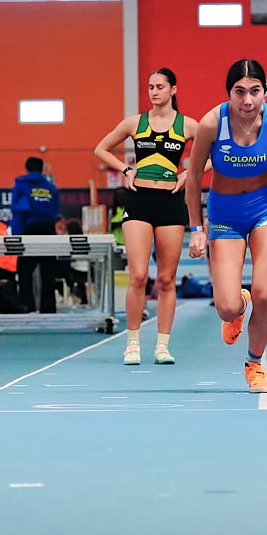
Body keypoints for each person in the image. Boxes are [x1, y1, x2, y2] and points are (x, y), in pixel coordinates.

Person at [183, 58, 267, 395]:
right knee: (226, 308)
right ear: (229, 93)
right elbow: (193, 177)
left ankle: (254, 363)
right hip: (224, 213)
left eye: (255, 91)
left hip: (266, 209)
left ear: (265, 92)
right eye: (239, 92)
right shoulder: (211, 124)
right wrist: (196, 228)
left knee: (266, 294)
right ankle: (239, 304)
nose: (247, 100)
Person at [93, 67, 190, 364]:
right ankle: (132, 343)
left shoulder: (188, 125)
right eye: (150, 87)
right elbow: (101, 149)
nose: (154, 91)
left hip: (171, 203)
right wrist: (126, 170)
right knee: (138, 275)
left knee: (166, 279)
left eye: (160, 86)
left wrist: (188, 174)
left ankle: (162, 346)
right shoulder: (135, 123)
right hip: (139, 201)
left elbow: (217, 153)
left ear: (173, 90)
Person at [11, 156, 61, 313]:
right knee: (48, 271)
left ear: (26, 168)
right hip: (48, 229)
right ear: (42, 169)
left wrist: (16, 235)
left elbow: (16, 210)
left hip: (30, 228)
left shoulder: (21, 184)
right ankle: (49, 308)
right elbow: (56, 212)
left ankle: (26, 306)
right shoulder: (51, 187)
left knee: (25, 270)